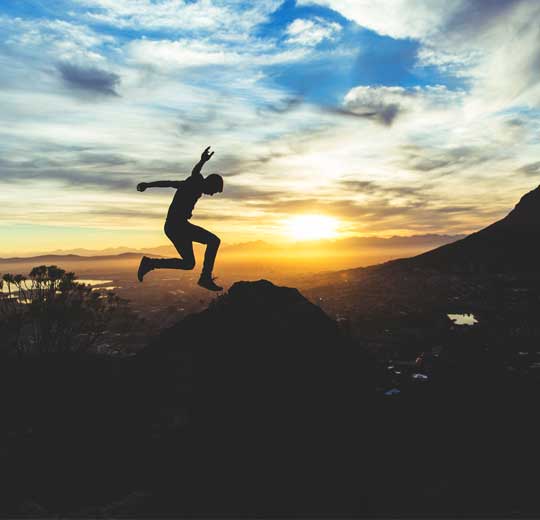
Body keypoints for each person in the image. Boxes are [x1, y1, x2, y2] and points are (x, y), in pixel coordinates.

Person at [136, 146, 224, 291]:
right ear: (210, 184)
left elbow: (173, 182)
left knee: (189, 264)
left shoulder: (196, 186)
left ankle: (150, 263)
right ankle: (205, 278)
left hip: (175, 227)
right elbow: (187, 176)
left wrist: (148, 185)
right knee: (214, 241)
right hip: (177, 226)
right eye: (214, 190)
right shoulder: (195, 182)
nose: (213, 194)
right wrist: (202, 161)